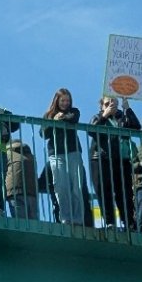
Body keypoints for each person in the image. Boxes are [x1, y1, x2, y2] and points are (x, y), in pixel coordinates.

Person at [89, 96, 141, 229]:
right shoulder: (97, 117)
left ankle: (128, 222)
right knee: (104, 191)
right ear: (101, 106)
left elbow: (136, 126)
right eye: (107, 104)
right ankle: (109, 222)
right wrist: (105, 116)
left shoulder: (122, 118)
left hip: (120, 159)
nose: (111, 106)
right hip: (101, 158)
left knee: (124, 192)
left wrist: (127, 108)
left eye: (114, 103)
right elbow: (92, 130)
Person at [42, 89, 90, 227]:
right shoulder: (48, 115)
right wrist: (53, 121)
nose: (65, 103)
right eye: (62, 100)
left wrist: (63, 117)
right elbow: (43, 134)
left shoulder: (74, 111)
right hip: (56, 154)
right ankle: (66, 218)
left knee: (77, 186)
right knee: (61, 187)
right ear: (57, 100)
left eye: (67, 100)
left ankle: (78, 219)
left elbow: (73, 119)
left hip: (73, 152)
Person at [5, 140, 41, 220]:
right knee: (34, 226)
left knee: (20, 223)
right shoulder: (31, 156)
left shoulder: (7, 154)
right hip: (32, 193)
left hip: (15, 192)